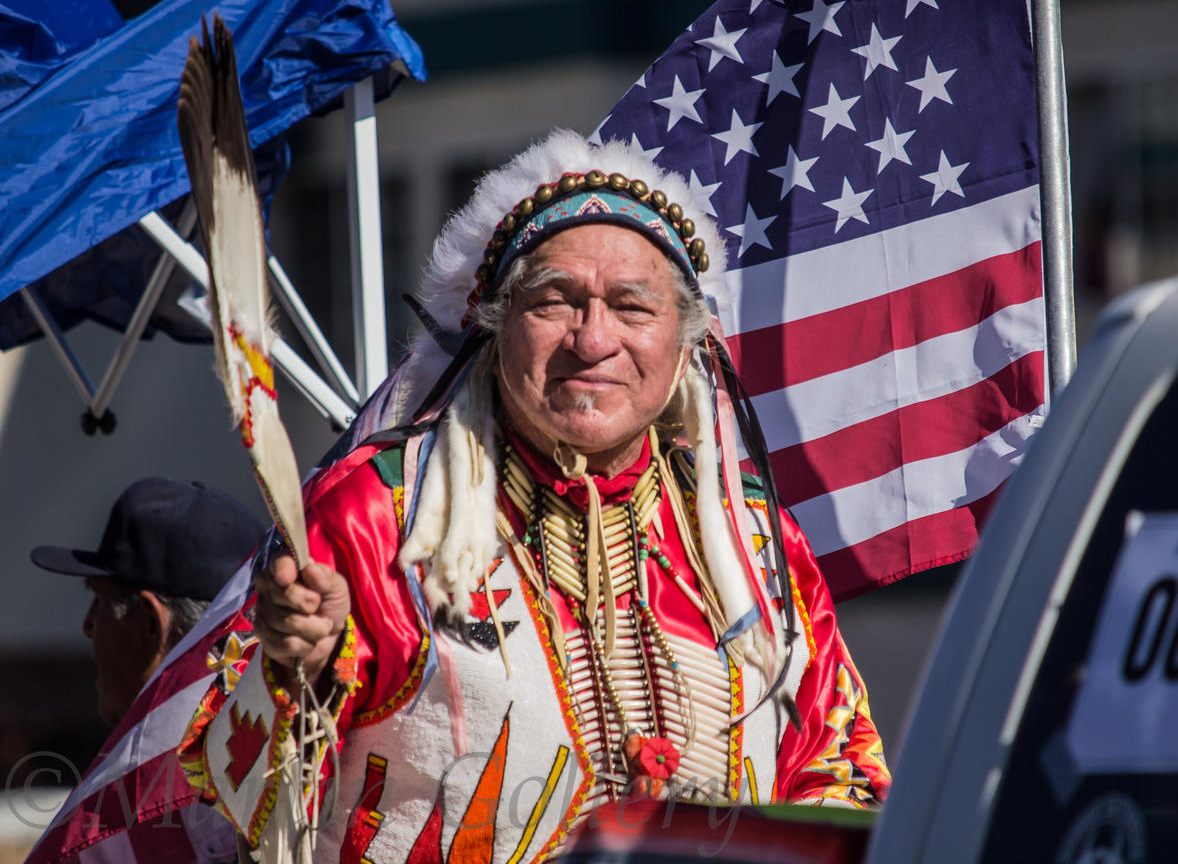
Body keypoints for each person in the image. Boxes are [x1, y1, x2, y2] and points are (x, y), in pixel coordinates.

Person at [181, 131, 890, 863]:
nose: (593, 339)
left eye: (632, 307)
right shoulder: (381, 516)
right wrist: (299, 669)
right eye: (555, 301)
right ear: (492, 325)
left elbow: (840, 773)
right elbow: (234, 808)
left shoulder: (754, 546)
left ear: (684, 342)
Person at [30, 476, 266, 727]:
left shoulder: (152, 764)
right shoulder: (276, 748)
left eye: (100, 602)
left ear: (150, 623)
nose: (87, 627)